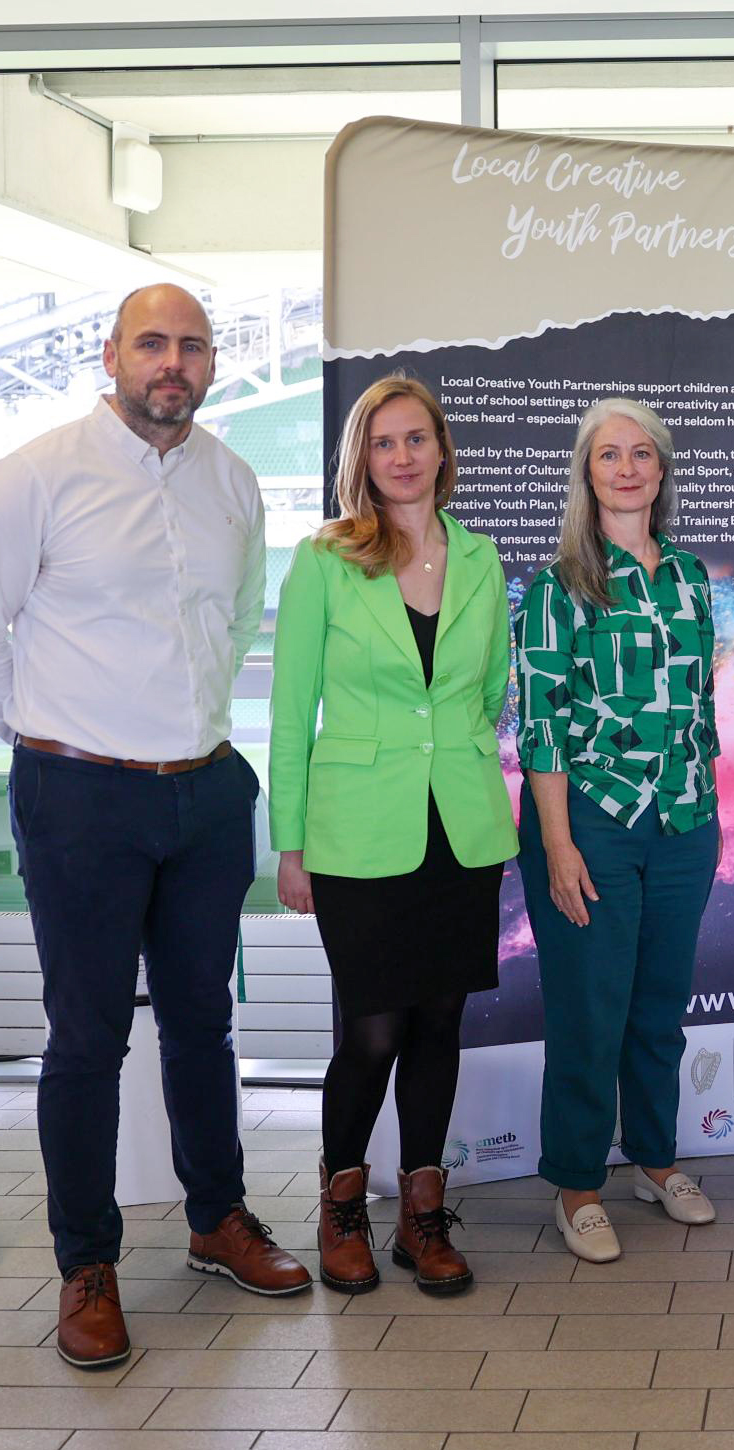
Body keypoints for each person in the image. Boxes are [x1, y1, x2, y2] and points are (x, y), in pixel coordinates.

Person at [0, 284, 309, 1370]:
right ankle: (86, 1264)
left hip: (203, 790)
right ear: (111, 355)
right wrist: (51, 732)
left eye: (193, 344)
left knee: (202, 1022)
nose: (172, 362)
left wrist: (175, 733)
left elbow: (236, 620)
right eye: (152, 342)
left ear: (211, 362)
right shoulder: (36, 475)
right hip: (80, 793)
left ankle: (216, 1217)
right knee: (88, 1037)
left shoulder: (233, 481)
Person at [270, 374, 516, 1296]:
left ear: (442, 451)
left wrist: (450, 751)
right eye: (384, 443)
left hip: (459, 824)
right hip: (355, 833)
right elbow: (293, 712)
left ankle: (422, 1213)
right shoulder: (325, 560)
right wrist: (289, 845)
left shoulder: (482, 558)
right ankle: (340, 1211)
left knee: (439, 1023)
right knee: (371, 1033)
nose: (403, 456)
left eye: (417, 439)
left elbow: (488, 692)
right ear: (360, 461)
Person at [517, 397, 721, 1264]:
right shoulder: (558, 585)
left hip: (684, 822)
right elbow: (541, 723)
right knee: (589, 1012)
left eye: (643, 453)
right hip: (592, 823)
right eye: (610, 455)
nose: (628, 467)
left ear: (662, 470)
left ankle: (655, 1158)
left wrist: (706, 804)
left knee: (658, 1009)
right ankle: (574, 1183)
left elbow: (700, 702)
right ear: (586, 472)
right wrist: (558, 844)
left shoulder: (689, 575)